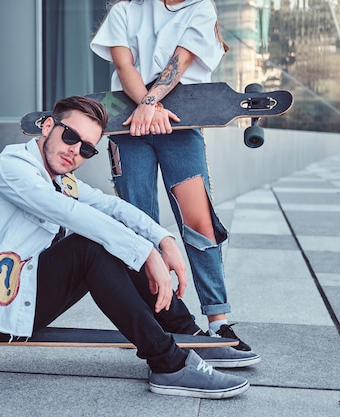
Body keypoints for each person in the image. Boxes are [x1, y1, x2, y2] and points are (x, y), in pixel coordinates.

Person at [0, 95, 259, 399]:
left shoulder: (59, 177)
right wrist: (146, 253)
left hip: (26, 296)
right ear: (47, 126)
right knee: (92, 246)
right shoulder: (13, 169)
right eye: (70, 136)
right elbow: (73, 214)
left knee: (110, 235)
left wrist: (163, 240)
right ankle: (169, 363)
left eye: (86, 148)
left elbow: (110, 206)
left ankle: (188, 336)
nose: (74, 151)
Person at [90, 0, 252, 350]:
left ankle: (218, 321)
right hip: (128, 124)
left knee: (199, 221)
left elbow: (179, 63)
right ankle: (163, 318)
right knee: (139, 223)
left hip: (181, 121)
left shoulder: (201, 8)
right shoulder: (125, 10)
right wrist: (149, 106)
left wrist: (153, 104)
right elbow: (124, 64)